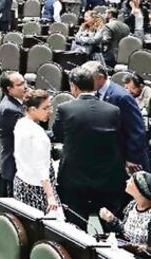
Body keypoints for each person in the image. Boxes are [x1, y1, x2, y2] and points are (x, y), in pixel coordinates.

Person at [54, 66, 126, 221]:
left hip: (74, 178)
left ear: (73, 87)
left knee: (76, 230)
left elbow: (58, 135)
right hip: (106, 177)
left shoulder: (64, 109)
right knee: (111, 227)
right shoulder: (113, 110)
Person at [86, 61, 150, 171]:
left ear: (100, 78)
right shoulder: (95, 93)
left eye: (88, 78)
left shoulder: (121, 97)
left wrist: (132, 158)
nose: (85, 82)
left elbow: (137, 130)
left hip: (129, 161)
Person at [13, 90, 59, 214]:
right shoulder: (37, 133)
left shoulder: (20, 123)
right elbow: (40, 167)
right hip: (38, 188)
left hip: (21, 183)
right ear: (33, 109)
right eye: (46, 108)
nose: (50, 111)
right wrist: (50, 196)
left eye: (50, 106)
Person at [98, 171, 151, 250]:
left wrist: (146, 249)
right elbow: (125, 233)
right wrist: (112, 219)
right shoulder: (132, 205)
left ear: (140, 190)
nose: (127, 181)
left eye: (131, 181)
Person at [0, 71, 27, 198]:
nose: (25, 86)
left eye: (24, 82)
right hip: (15, 165)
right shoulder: (10, 109)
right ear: (10, 89)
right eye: (20, 84)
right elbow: (28, 134)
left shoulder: (15, 103)